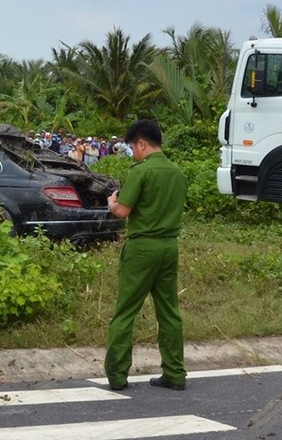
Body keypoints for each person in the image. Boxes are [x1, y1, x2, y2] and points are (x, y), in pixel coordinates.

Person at [105, 119, 188, 392]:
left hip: (142, 248)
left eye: (132, 147)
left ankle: (117, 375)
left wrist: (112, 203)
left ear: (141, 143)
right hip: (169, 247)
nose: (133, 153)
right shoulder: (177, 173)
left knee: (126, 311)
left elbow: (123, 211)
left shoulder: (141, 172)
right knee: (169, 312)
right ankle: (175, 373)